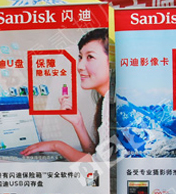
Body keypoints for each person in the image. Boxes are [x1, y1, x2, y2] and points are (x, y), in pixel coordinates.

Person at [21, 28, 111, 162]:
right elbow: (100, 156)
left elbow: (98, 166)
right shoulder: (106, 100)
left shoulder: (117, 104)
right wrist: (78, 123)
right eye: (80, 57)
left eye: (90, 57)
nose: (80, 66)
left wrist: (56, 145)